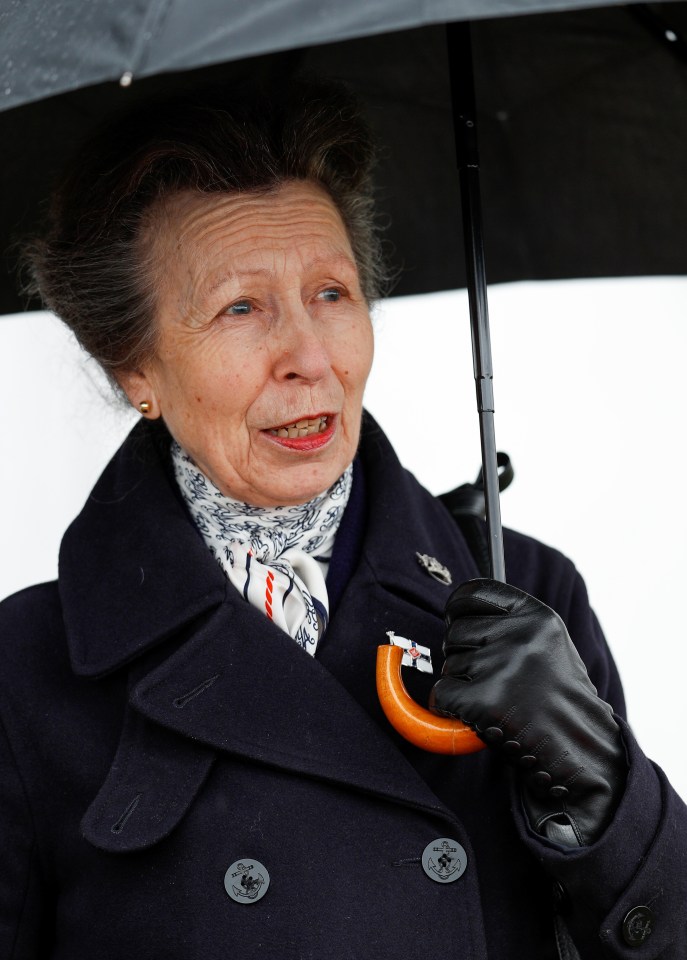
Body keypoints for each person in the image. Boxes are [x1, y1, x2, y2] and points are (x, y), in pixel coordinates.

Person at [0, 80, 685, 960]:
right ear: (133, 366)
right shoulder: (26, 673)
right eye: (241, 308)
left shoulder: (522, 594)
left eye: (331, 292)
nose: (310, 357)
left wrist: (606, 796)